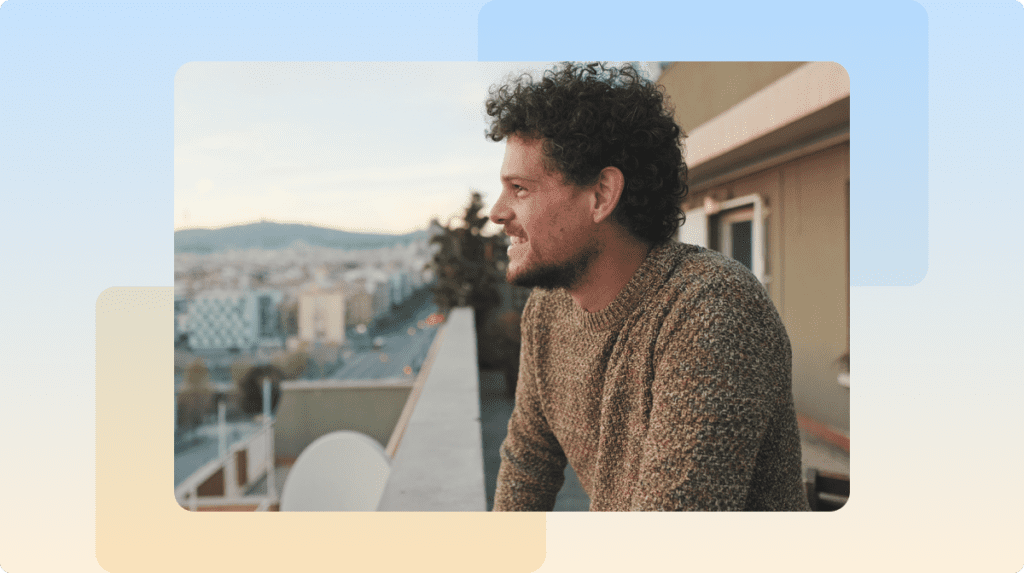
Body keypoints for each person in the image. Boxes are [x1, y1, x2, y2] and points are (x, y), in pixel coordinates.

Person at [485, 62, 809, 511]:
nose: (497, 212)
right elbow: (528, 463)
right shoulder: (546, 310)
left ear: (601, 195)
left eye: (519, 188)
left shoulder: (710, 311)